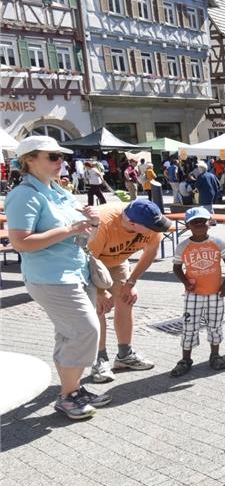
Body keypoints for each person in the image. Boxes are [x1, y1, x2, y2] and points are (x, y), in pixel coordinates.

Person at [6, 136, 109, 419]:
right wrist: (71, 229)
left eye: (61, 156)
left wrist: (93, 224)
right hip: (50, 277)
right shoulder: (24, 195)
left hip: (76, 271)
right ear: (29, 160)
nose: (60, 162)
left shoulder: (58, 191)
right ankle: (67, 395)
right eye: (52, 157)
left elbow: (85, 238)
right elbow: (21, 242)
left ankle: (72, 389)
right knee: (86, 330)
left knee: (69, 333)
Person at [87, 198, 171, 381]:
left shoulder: (151, 224)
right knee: (98, 309)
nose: (157, 231)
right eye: (152, 228)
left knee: (126, 300)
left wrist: (130, 283)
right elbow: (85, 259)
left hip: (116, 261)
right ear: (132, 224)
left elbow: (150, 253)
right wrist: (100, 292)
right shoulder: (103, 224)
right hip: (88, 264)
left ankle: (125, 355)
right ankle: (99, 360)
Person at [169, 207, 225, 377]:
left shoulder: (218, 243)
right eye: (194, 222)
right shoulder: (183, 246)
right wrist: (185, 282)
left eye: (202, 221)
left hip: (215, 293)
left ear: (209, 223)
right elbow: (176, 267)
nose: (199, 225)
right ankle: (185, 359)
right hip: (194, 294)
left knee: (215, 325)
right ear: (188, 225)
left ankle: (215, 355)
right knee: (189, 326)